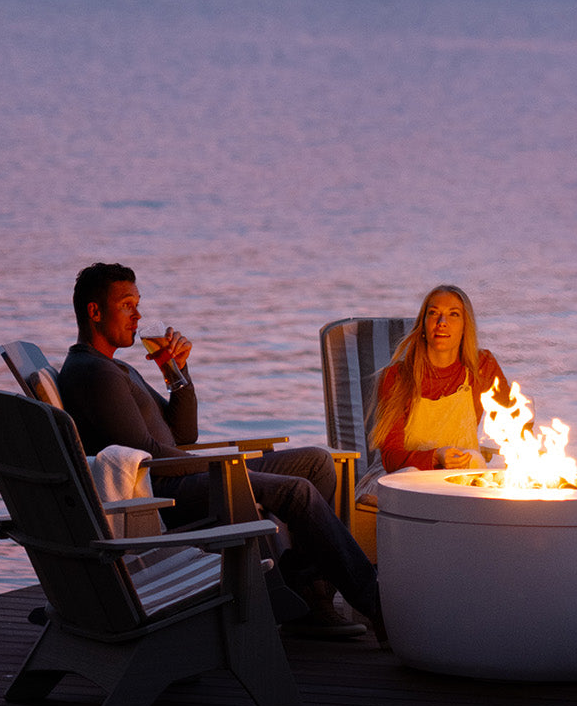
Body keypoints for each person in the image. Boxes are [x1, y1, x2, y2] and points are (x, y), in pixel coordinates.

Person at [56, 262, 382, 640]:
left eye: (138, 304)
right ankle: (377, 604)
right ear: (95, 312)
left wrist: (177, 373)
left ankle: (306, 591)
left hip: (186, 476)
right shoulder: (94, 374)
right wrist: (225, 468)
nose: (138, 316)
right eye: (127, 305)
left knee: (317, 463)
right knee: (297, 491)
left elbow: (183, 433)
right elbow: (149, 457)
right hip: (165, 494)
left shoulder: (115, 369)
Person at [358, 284, 509, 498]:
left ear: (465, 326)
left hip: (458, 481)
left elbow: (515, 422)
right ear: (423, 325)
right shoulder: (398, 377)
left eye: (453, 314)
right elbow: (391, 458)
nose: (442, 322)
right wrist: (436, 456)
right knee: (413, 478)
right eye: (434, 313)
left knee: (474, 460)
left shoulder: (482, 367)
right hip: (398, 479)